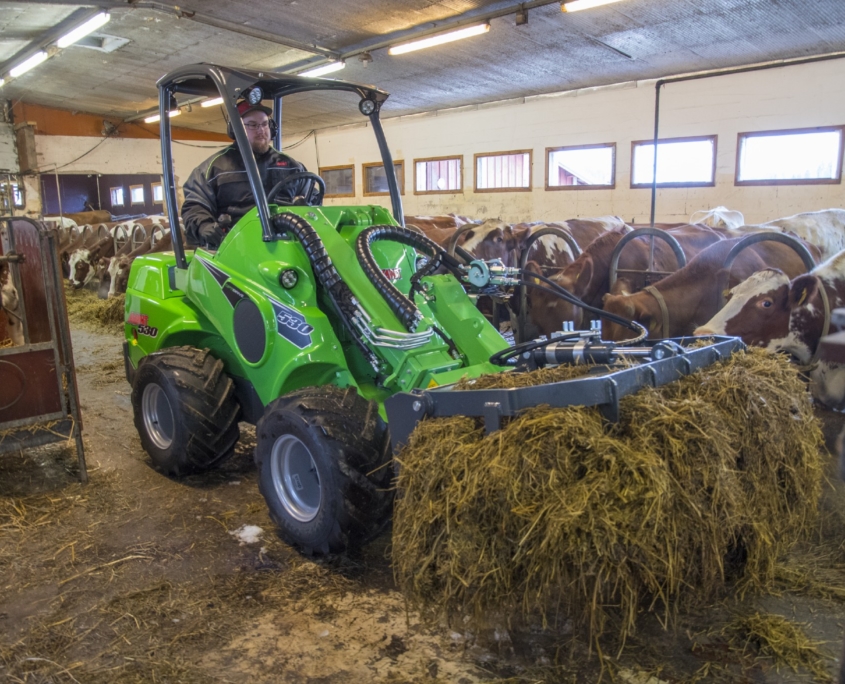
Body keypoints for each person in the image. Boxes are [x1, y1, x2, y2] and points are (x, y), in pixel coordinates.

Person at [181, 99, 315, 249]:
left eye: (264, 124)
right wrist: (203, 225)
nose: (261, 130)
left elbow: (312, 199)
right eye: (252, 125)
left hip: (287, 246)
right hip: (234, 248)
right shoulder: (213, 168)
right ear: (235, 129)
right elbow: (195, 205)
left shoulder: (292, 167)